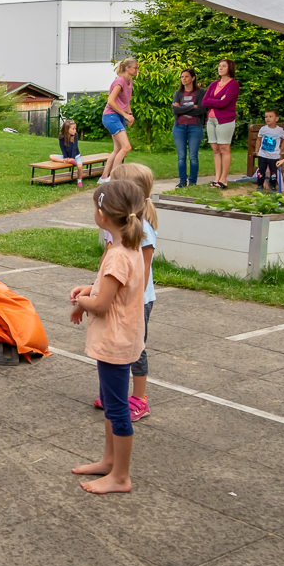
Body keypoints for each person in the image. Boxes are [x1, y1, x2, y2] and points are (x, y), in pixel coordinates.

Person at [70, 179, 147, 495]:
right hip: (122, 337)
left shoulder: (117, 255)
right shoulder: (129, 247)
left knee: (117, 410)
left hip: (115, 341)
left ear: (102, 215)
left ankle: (120, 477)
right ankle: (110, 461)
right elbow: (114, 289)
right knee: (112, 404)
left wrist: (81, 300)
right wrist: (90, 288)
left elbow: (102, 305)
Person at [98, 163, 157, 422]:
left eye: (113, 183)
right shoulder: (116, 223)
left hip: (136, 300)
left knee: (135, 348)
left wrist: (132, 300)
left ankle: (139, 398)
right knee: (113, 344)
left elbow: (143, 269)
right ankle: (115, 394)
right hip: (117, 295)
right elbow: (109, 256)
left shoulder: (143, 228)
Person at [201, 59, 241, 189]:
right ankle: (217, 178)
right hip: (211, 119)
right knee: (215, 149)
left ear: (230, 69)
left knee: (224, 148)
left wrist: (213, 101)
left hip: (225, 120)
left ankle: (224, 179)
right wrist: (217, 100)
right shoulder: (214, 84)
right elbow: (204, 102)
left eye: (224, 66)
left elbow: (224, 103)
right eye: (219, 66)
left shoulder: (233, 85)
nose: (220, 68)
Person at [101, 57, 137, 180]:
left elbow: (126, 101)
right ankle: (114, 178)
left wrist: (129, 114)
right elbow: (110, 101)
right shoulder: (119, 82)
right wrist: (125, 115)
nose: (137, 70)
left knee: (118, 149)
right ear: (127, 68)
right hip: (111, 116)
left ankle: (104, 177)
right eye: (135, 68)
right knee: (126, 147)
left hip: (118, 116)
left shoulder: (129, 82)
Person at [170, 68, 205, 188]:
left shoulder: (200, 92)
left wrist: (181, 108)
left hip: (195, 127)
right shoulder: (178, 93)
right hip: (179, 127)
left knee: (193, 156)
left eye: (186, 76)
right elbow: (175, 110)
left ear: (193, 78)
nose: (183, 79)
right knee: (181, 157)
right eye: (182, 77)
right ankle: (182, 181)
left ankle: (193, 182)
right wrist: (192, 107)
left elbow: (200, 110)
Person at [254, 110, 284, 192]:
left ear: (276, 119)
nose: (267, 118)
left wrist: (281, 149)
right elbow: (258, 139)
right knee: (261, 170)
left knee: (273, 172)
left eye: (270, 116)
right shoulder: (263, 129)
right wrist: (257, 150)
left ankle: (273, 185)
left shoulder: (280, 130)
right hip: (263, 154)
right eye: (266, 117)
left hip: (274, 156)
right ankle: (260, 185)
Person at [51, 119, 85, 188]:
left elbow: (74, 148)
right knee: (51, 156)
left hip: (75, 156)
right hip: (66, 157)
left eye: (75, 129)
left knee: (80, 166)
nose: (75, 130)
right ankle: (65, 161)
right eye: (73, 129)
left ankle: (79, 181)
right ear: (67, 129)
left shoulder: (75, 135)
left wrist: (72, 158)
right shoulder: (61, 137)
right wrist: (66, 158)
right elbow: (62, 148)